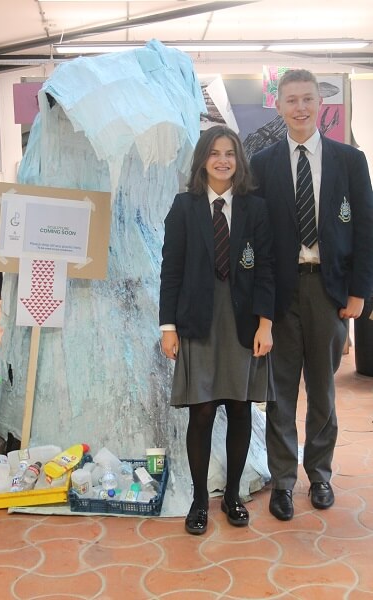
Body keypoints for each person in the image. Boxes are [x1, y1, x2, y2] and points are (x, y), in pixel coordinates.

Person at [250, 69, 373, 521]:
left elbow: (366, 230)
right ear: (278, 106)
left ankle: (319, 474)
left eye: (307, 99)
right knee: (279, 393)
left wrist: (361, 294)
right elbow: (257, 240)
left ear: (320, 103)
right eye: (291, 100)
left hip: (329, 291)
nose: (300, 107)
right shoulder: (261, 163)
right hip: (280, 295)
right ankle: (283, 482)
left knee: (323, 390)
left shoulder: (349, 160)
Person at [159, 125, 275, 535]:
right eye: (214, 153)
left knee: (240, 407)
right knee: (203, 410)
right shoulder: (184, 206)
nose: (223, 160)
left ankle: (231, 497)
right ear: (202, 159)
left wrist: (266, 322)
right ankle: (197, 501)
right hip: (198, 320)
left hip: (243, 321)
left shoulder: (254, 208)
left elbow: (266, 270)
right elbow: (170, 270)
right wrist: (168, 326)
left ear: (238, 160)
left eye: (230, 153)